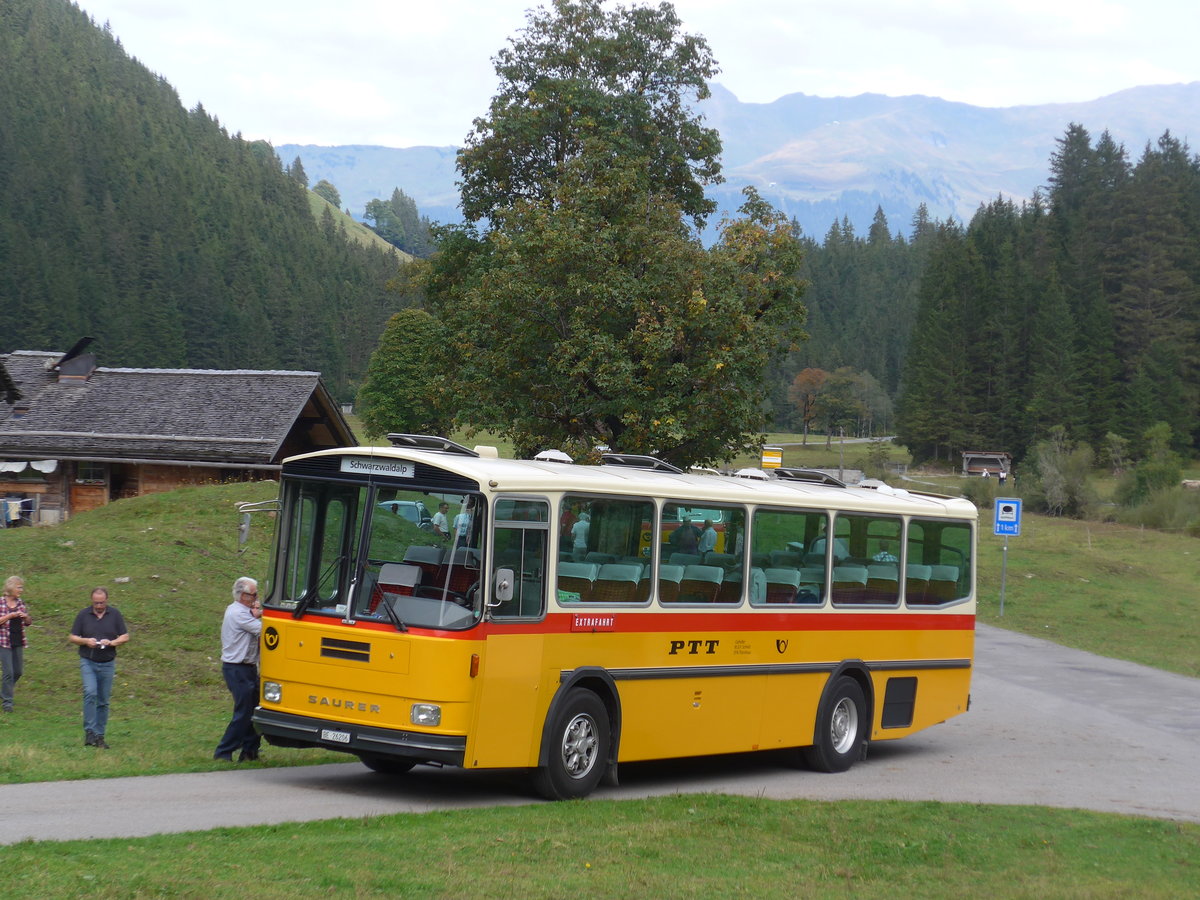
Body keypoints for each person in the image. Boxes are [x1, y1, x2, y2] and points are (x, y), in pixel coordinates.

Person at [68, 587, 130, 748]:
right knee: (90, 692)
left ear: (107, 601)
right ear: (91, 601)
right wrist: (86, 641)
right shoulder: (83, 615)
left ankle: (99, 735)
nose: (99, 605)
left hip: (108, 662)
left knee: (103, 701)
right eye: (96, 603)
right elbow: (72, 637)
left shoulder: (115, 614)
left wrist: (112, 643)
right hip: (88, 660)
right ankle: (89, 731)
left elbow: (125, 636)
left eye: (102, 603)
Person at [214, 577, 264, 763]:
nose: (257, 597)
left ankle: (250, 751)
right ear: (243, 596)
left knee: (255, 710)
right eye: (254, 594)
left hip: (247, 668)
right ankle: (223, 751)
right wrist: (259, 615)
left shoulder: (241, 611)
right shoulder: (239, 613)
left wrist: (256, 614)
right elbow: (263, 630)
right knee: (244, 713)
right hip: (237, 668)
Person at [1, 576, 33, 713]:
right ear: (11, 587)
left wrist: (25, 617)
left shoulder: (20, 603)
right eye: (19, 587)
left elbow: (28, 622)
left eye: (21, 587)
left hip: (18, 641)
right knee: (8, 672)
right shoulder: (1, 602)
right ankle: (7, 703)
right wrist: (10, 616)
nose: (21, 590)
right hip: (3, 642)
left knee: (18, 671)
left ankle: (4, 691)